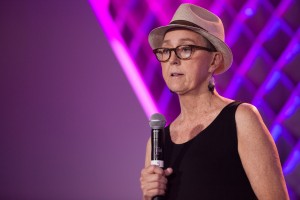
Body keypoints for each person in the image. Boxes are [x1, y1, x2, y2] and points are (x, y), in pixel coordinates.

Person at [139, 3, 289, 200]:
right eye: (166, 51)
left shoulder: (241, 118)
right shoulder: (158, 142)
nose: (172, 60)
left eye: (185, 49)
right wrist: (149, 195)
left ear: (214, 61)